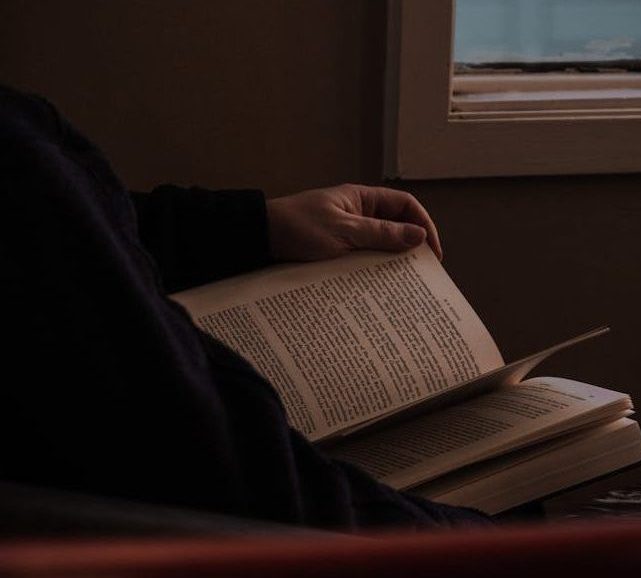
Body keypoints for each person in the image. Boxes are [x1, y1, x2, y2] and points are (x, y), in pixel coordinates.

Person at [0, 84, 492, 531]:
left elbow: (94, 228)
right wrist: (482, 542)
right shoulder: (17, 161)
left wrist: (259, 226)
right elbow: (234, 474)